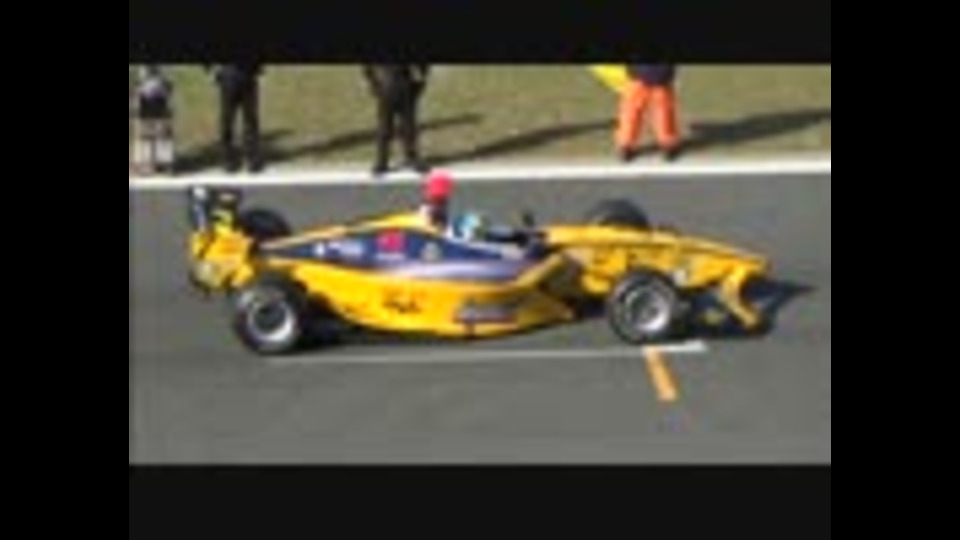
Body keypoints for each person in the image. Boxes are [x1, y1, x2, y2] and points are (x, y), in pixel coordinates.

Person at [362, 64, 431, 176]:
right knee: (385, 125)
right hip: (388, 84)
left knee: (408, 125)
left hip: (404, 82)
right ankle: (382, 161)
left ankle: (410, 157)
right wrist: (373, 82)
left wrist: (421, 79)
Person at [614, 63, 682, 162]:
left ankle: (626, 145)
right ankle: (668, 144)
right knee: (662, 111)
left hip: (645, 76)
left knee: (633, 111)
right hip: (656, 76)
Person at [208, 63, 264, 173]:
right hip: (228, 75)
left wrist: (258, 69)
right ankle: (228, 159)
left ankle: (253, 159)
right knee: (228, 121)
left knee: (251, 119)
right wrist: (212, 71)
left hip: (248, 75)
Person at [132, 65, 175, 175]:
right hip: (144, 93)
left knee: (162, 129)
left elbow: (169, 79)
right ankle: (146, 162)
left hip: (160, 93)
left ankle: (164, 162)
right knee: (146, 130)